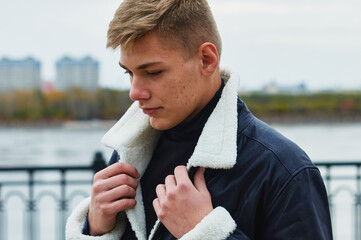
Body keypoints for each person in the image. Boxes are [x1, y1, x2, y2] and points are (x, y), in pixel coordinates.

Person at [66, 0, 333, 239]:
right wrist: (95, 229)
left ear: (206, 60)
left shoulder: (285, 171)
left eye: (153, 72)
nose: (135, 92)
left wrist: (205, 232)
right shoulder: (128, 156)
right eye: (130, 73)